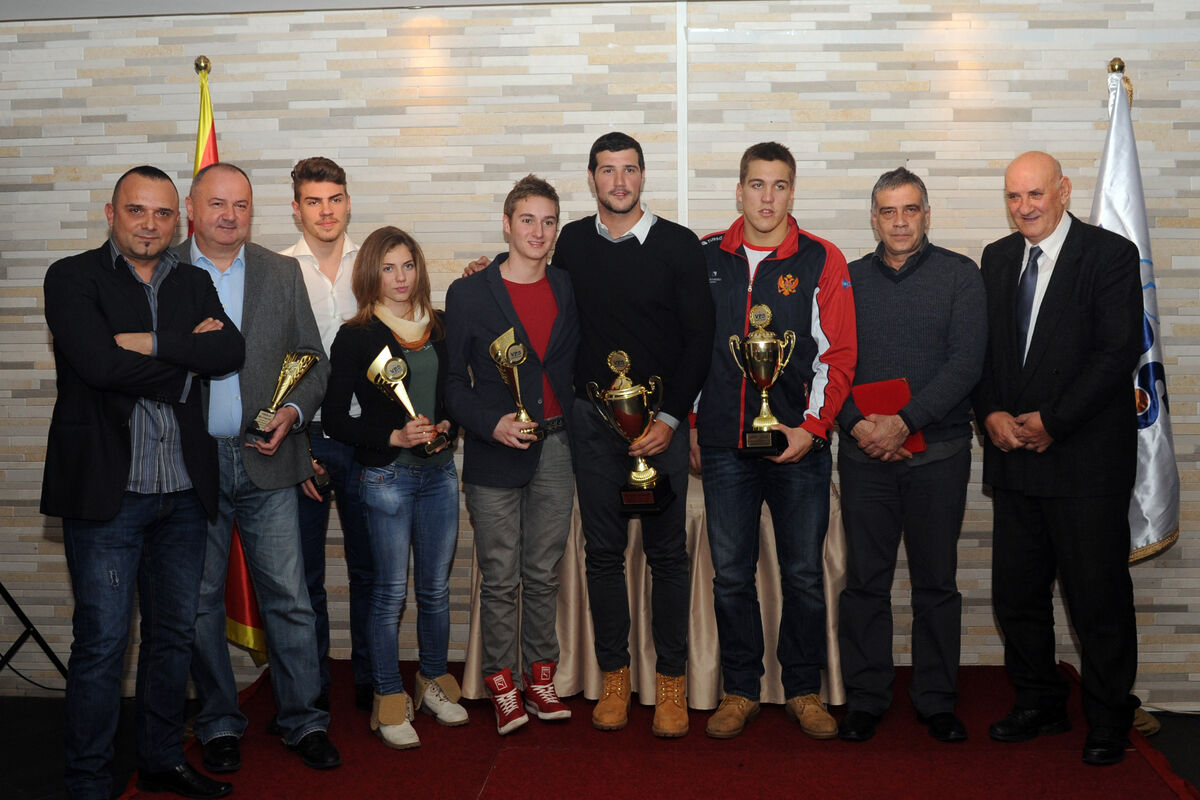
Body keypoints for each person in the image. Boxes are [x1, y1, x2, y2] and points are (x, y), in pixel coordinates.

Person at [42, 165, 242, 800]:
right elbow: (98, 365)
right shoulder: (72, 277)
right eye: (136, 211)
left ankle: (159, 759)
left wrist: (147, 342)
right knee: (103, 644)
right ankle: (88, 780)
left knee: (171, 638)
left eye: (162, 214)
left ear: (178, 220)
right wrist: (184, 363)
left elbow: (229, 353)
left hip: (183, 492)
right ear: (111, 214)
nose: (150, 225)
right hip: (109, 494)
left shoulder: (193, 280)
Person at [973, 151, 1142, 766]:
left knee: (1097, 600)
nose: (1024, 208)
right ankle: (1039, 701)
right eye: (1014, 197)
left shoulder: (1111, 256)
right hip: (1015, 459)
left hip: (1084, 463)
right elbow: (983, 351)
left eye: (1035, 194)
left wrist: (1054, 421)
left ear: (1064, 191)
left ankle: (1109, 717)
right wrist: (990, 412)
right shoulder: (996, 258)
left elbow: (1117, 351)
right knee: (1016, 597)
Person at [178, 162, 342, 773]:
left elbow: (314, 359)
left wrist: (294, 412)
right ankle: (219, 721)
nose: (230, 215)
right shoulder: (165, 272)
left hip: (268, 460)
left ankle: (304, 720)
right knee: (199, 603)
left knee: (290, 599)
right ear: (192, 209)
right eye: (217, 203)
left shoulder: (281, 271)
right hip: (191, 468)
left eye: (241, 205)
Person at [691, 142, 856, 741]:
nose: (767, 197)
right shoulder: (706, 254)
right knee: (731, 575)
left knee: (804, 575)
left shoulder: (821, 258)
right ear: (739, 191)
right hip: (724, 448)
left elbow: (838, 355)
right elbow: (690, 348)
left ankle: (803, 689)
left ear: (792, 192)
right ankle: (740, 689)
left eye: (779, 185)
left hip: (797, 448)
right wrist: (692, 422)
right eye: (757, 185)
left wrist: (811, 429)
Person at [555, 132, 715, 738]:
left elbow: (700, 339)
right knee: (603, 555)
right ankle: (615, 678)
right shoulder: (571, 243)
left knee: (667, 556)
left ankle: (671, 682)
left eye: (629, 170)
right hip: (594, 428)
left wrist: (671, 419)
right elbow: (533, 284)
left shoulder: (678, 245)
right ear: (591, 178)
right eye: (607, 170)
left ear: (643, 176)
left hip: (661, 430)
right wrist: (486, 269)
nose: (618, 181)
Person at [834, 167, 986, 744]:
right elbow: (831, 363)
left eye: (910, 209)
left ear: (926, 214)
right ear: (873, 219)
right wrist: (858, 426)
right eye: (888, 211)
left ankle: (937, 700)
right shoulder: (846, 280)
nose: (899, 222)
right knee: (865, 583)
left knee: (936, 583)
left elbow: (965, 364)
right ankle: (866, 699)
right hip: (864, 455)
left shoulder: (960, 276)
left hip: (939, 455)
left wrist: (903, 423)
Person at [322, 226, 467, 749]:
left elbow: (452, 393)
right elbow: (334, 419)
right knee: (388, 595)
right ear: (371, 275)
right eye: (388, 268)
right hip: (386, 478)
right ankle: (387, 696)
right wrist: (393, 435)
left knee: (435, 591)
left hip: (439, 475)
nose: (400, 277)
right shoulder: (355, 335)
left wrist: (449, 424)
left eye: (408, 265)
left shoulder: (441, 325)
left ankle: (433, 683)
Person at [445, 175, 580, 735]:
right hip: (494, 450)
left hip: (558, 448)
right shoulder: (469, 293)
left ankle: (540, 678)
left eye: (548, 221)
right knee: (500, 577)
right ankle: (502, 684)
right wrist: (489, 423)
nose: (538, 232)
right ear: (507, 225)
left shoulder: (567, 285)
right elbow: (453, 384)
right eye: (527, 219)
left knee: (543, 573)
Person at [280, 156, 373, 711]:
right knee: (303, 577)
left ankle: (372, 680)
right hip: (304, 438)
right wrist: (296, 449)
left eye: (334, 199)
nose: (326, 211)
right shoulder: (278, 270)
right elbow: (271, 366)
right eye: (313, 201)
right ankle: (309, 690)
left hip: (367, 439)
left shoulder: (372, 264)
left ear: (347, 202)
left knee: (370, 569)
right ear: (297, 209)